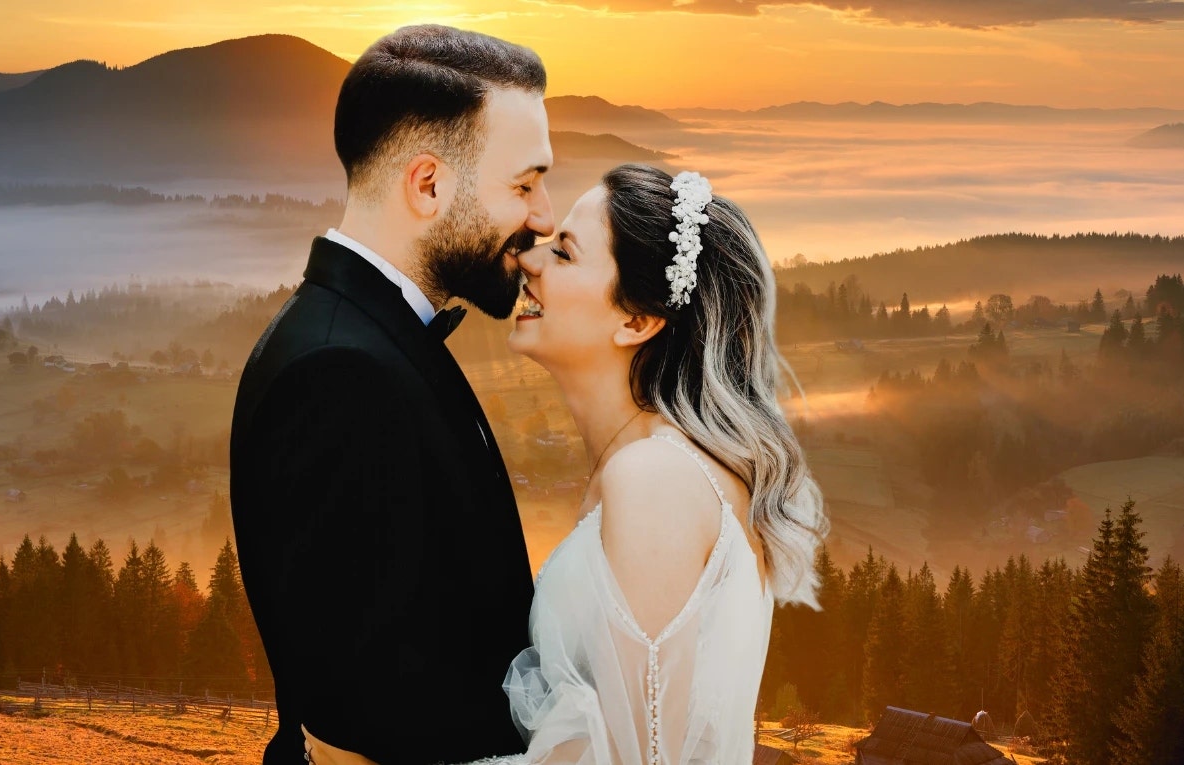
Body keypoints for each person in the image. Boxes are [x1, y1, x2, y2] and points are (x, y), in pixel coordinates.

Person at [228, 25, 554, 765]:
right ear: (429, 184)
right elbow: (370, 712)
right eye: (525, 183)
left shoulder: (368, 340)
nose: (543, 216)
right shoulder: (339, 375)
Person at [495, 164, 830, 764]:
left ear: (637, 321)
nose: (530, 260)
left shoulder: (653, 478)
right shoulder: (646, 464)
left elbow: (634, 758)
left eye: (566, 254)